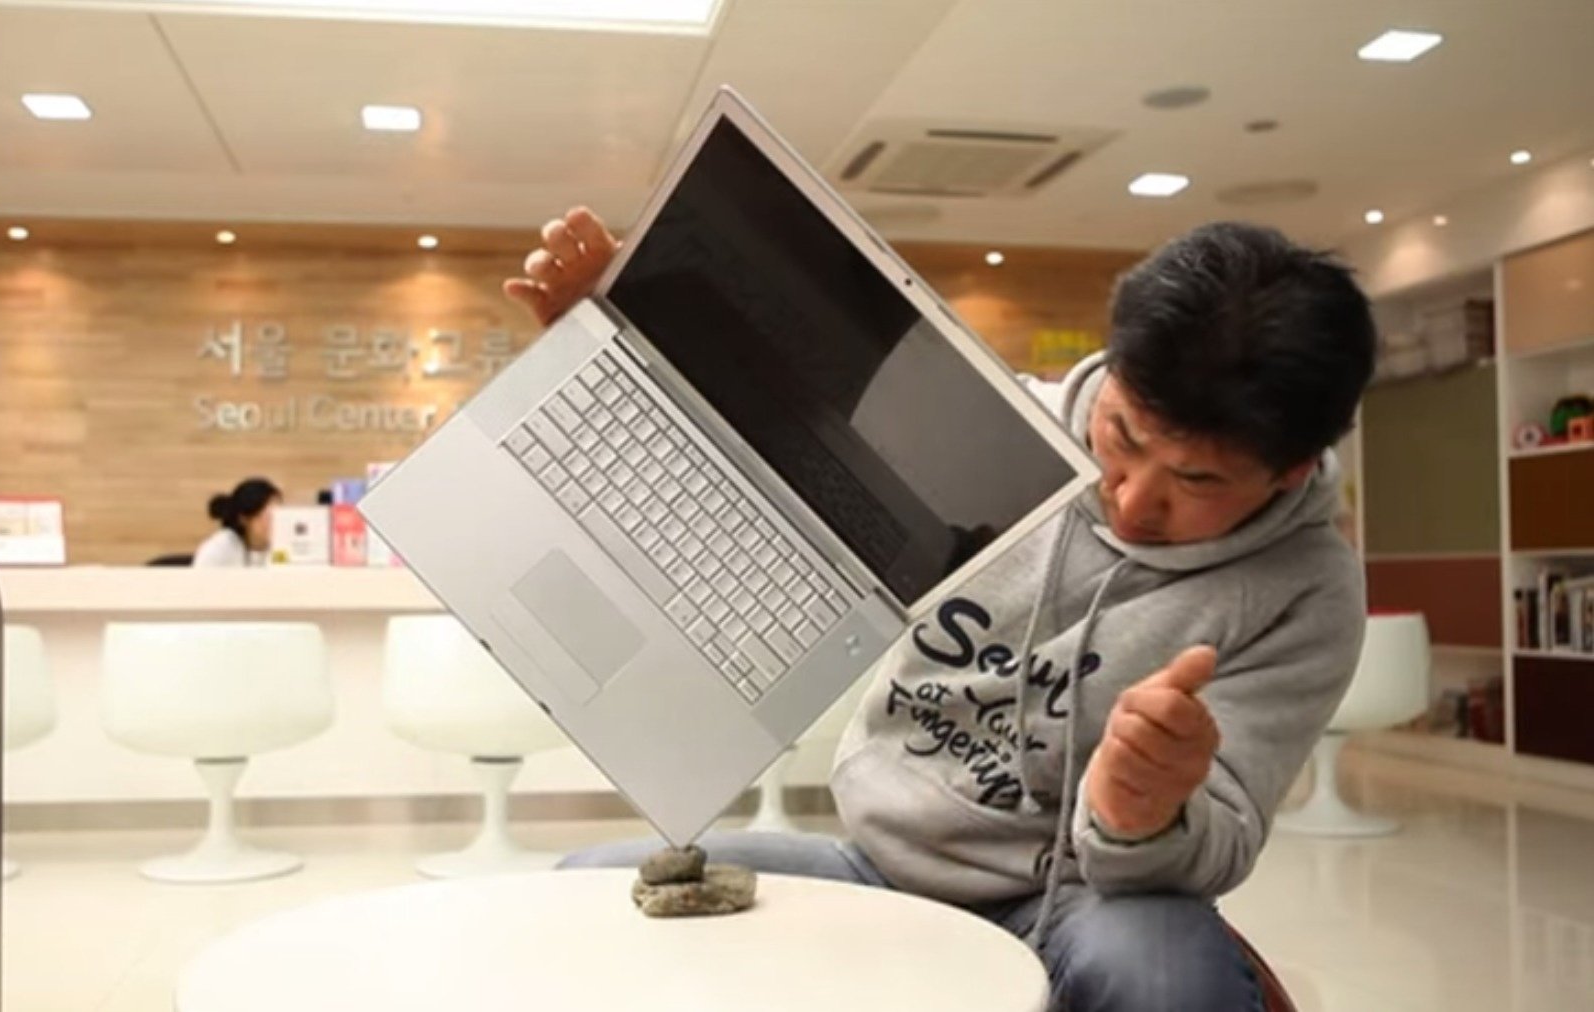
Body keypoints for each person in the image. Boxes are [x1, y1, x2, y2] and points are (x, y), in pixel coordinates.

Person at [508, 208, 1377, 1012]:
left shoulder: (1307, 588)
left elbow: (1217, 839)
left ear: (1290, 471)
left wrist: (1139, 811)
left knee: (1164, 981)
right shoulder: (995, 435)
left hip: (1090, 898)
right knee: (589, 886)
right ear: (1111, 373)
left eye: (1197, 481)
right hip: (879, 865)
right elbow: (761, 501)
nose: (1133, 501)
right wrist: (617, 355)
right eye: (1123, 438)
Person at [194, 477, 281, 568]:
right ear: (244, 519)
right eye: (271, 515)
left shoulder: (285, 546)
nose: (278, 521)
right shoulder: (220, 548)